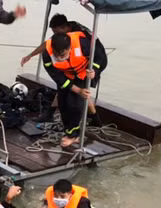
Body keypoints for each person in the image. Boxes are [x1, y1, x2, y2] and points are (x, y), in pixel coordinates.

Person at [21, 15, 108, 144]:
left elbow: (101, 56)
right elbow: (57, 77)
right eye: (57, 55)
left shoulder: (82, 40)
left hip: (84, 69)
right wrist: (30, 55)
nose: (59, 57)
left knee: (75, 102)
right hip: (66, 72)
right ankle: (70, 128)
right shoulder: (50, 51)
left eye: (63, 54)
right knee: (63, 100)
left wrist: (94, 70)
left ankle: (75, 133)